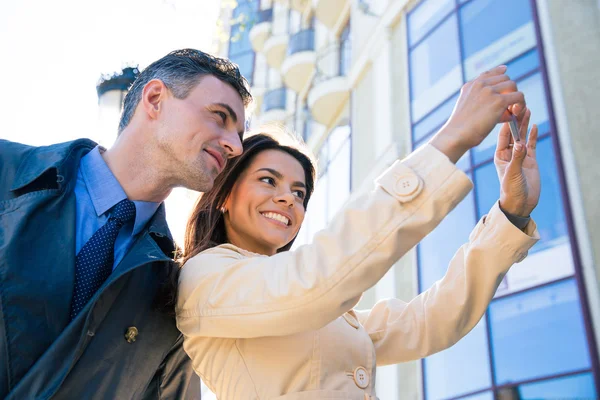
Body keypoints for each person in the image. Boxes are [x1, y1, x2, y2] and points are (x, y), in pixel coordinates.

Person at [176, 65, 541, 399]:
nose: (287, 198)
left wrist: (511, 212)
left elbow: (430, 320)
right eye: (268, 180)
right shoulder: (203, 279)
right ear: (223, 194)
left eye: (299, 193)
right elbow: (316, 282)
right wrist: (453, 138)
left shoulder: (323, 308)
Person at [0, 49, 251, 399]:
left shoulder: (176, 292)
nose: (235, 146)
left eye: (239, 134)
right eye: (220, 117)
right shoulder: (5, 169)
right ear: (154, 98)